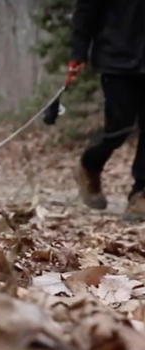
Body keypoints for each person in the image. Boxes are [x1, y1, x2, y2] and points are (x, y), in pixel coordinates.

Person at [70, 0, 145, 221]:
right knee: (119, 127)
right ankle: (90, 164)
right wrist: (78, 51)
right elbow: (87, 8)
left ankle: (141, 191)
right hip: (117, 56)